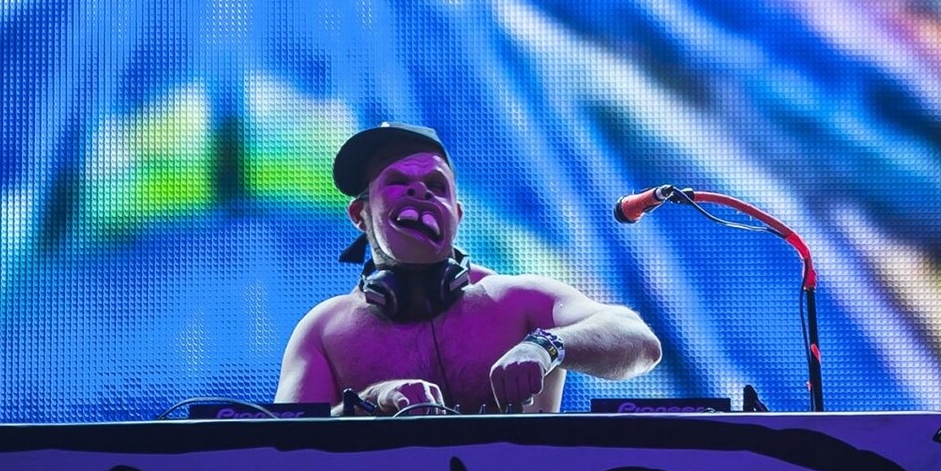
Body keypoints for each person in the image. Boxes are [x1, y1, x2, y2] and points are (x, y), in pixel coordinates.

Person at [276, 122, 663, 414]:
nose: (419, 191)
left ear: (457, 215)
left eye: (435, 185)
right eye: (397, 181)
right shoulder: (324, 330)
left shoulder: (517, 300)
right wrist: (369, 402)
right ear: (359, 214)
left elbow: (640, 342)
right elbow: (280, 451)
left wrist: (546, 345)